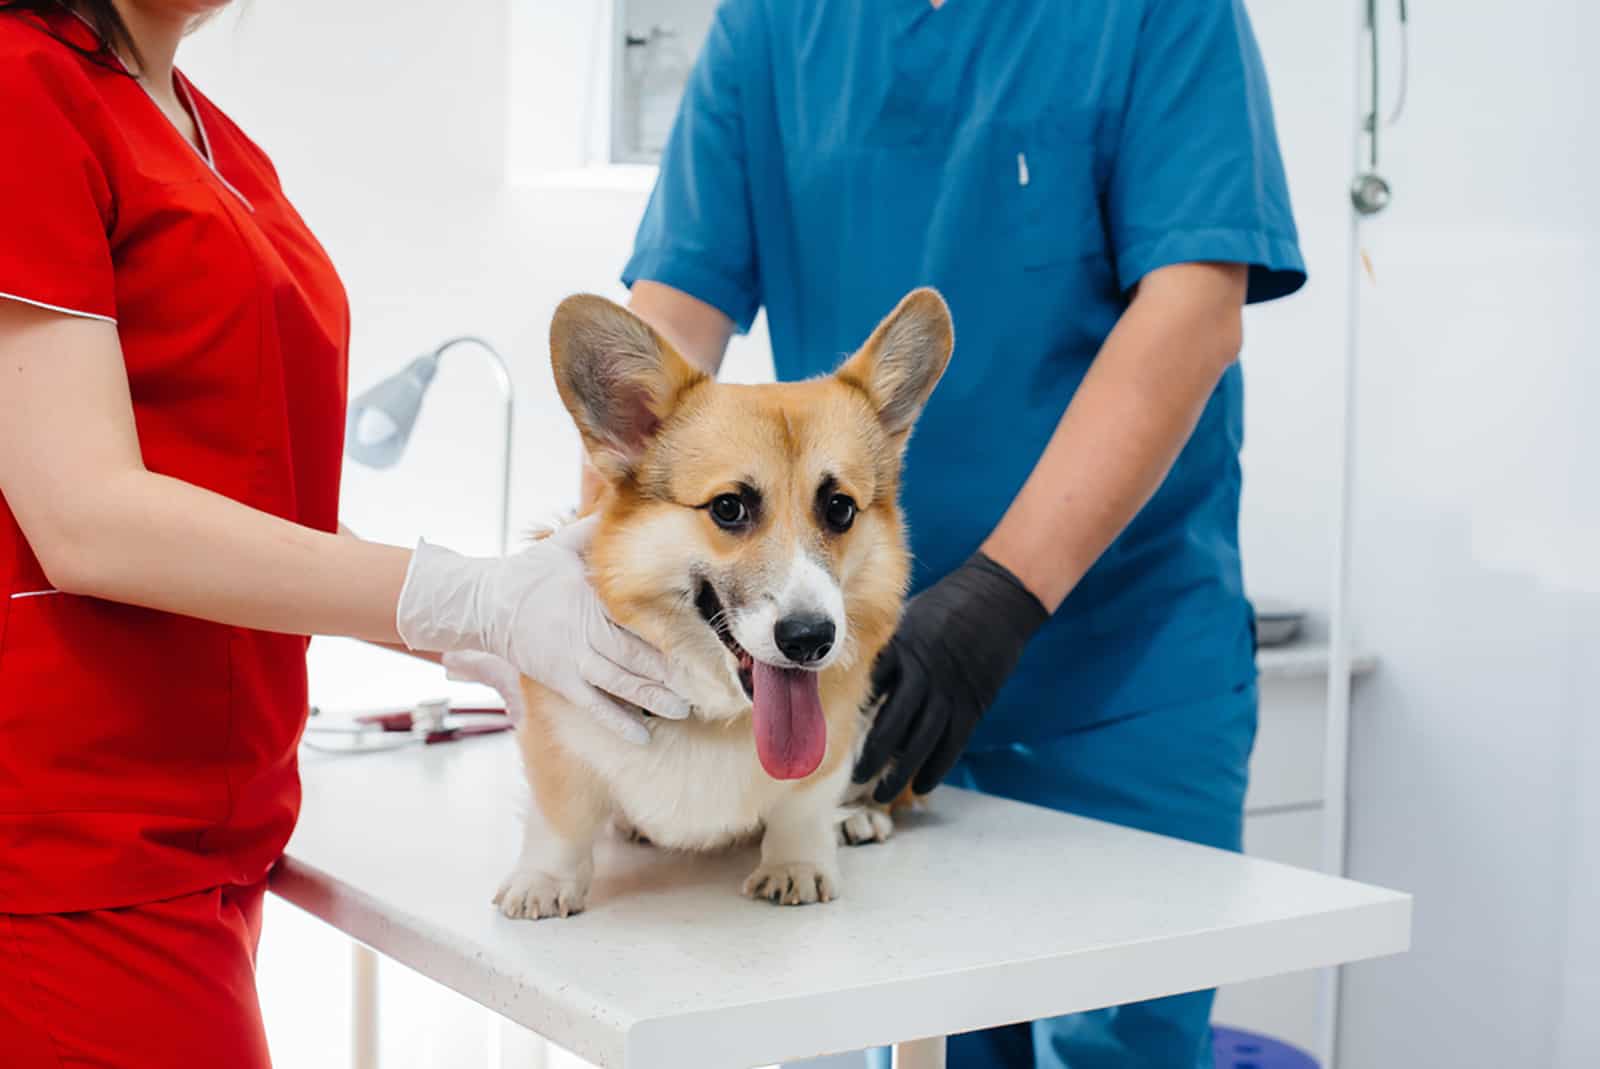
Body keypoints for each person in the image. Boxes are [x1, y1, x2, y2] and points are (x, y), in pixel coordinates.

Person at [614, 1, 1305, 1065]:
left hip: (1119, 684)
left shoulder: (1163, 15)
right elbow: (662, 330)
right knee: (881, 1032)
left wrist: (998, 596)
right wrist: (607, 567)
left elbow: (1193, 309)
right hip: (848, 689)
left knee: (1123, 1041)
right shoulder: (772, 26)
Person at [0, 3, 686, 1065]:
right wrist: (469, 597)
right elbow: (87, 519)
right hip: (65, 854)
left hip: (211, 835)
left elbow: (247, 490)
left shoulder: (205, 131)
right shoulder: (20, 90)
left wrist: (480, 632)